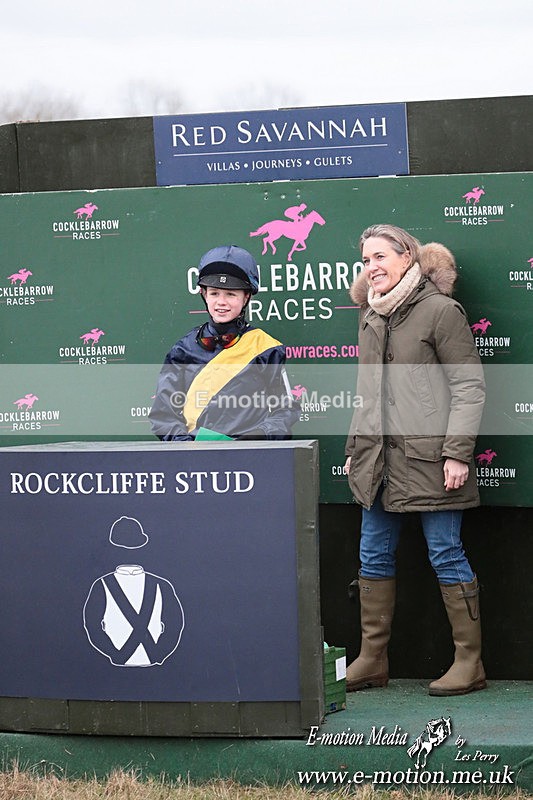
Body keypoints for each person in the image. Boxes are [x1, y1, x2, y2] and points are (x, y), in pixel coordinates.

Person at [343, 224, 486, 697]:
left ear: (408, 256)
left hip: (432, 463)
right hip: (377, 464)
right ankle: (371, 660)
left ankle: (470, 663)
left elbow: (469, 387)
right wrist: (355, 452)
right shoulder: (369, 315)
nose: (372, 268)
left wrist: (457, 453)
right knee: (371, 555)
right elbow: (366, 396)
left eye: (381, 257)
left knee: (446, 555)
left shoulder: (441, 311)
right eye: (366, 261)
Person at [149, 244, 299, 441]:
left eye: (231, 294)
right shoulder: (183, 350)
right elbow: (163, 415)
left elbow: (286, 411)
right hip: (197, 464)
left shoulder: (266, 348)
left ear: (246, 297)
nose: (221, 302)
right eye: (214, 293)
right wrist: (184, 447)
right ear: (203, 294)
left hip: (253, 460)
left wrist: (259, 436)